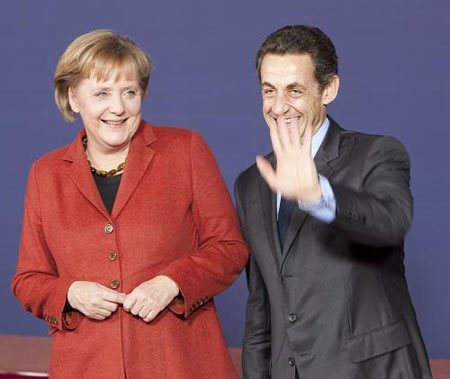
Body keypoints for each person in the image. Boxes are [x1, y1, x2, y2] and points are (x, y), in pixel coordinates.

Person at [11, 29, 248, 379]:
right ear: (73, 97)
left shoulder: (186, 150)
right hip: (86, 366)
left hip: (179, 363)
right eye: (102, 93)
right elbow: (28, 280)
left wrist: (172, 283)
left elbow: (230, 248)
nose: (118, 108)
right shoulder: (45, 174)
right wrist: (71, 293)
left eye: (129, 93)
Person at [234, 25, 432, 379]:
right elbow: (260, 309)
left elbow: (389, 222)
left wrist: (317, 194)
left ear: (329, 89)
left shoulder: (377, 153)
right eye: (269, 91)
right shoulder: (251, 183)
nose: (279, 107)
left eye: (294, 91)